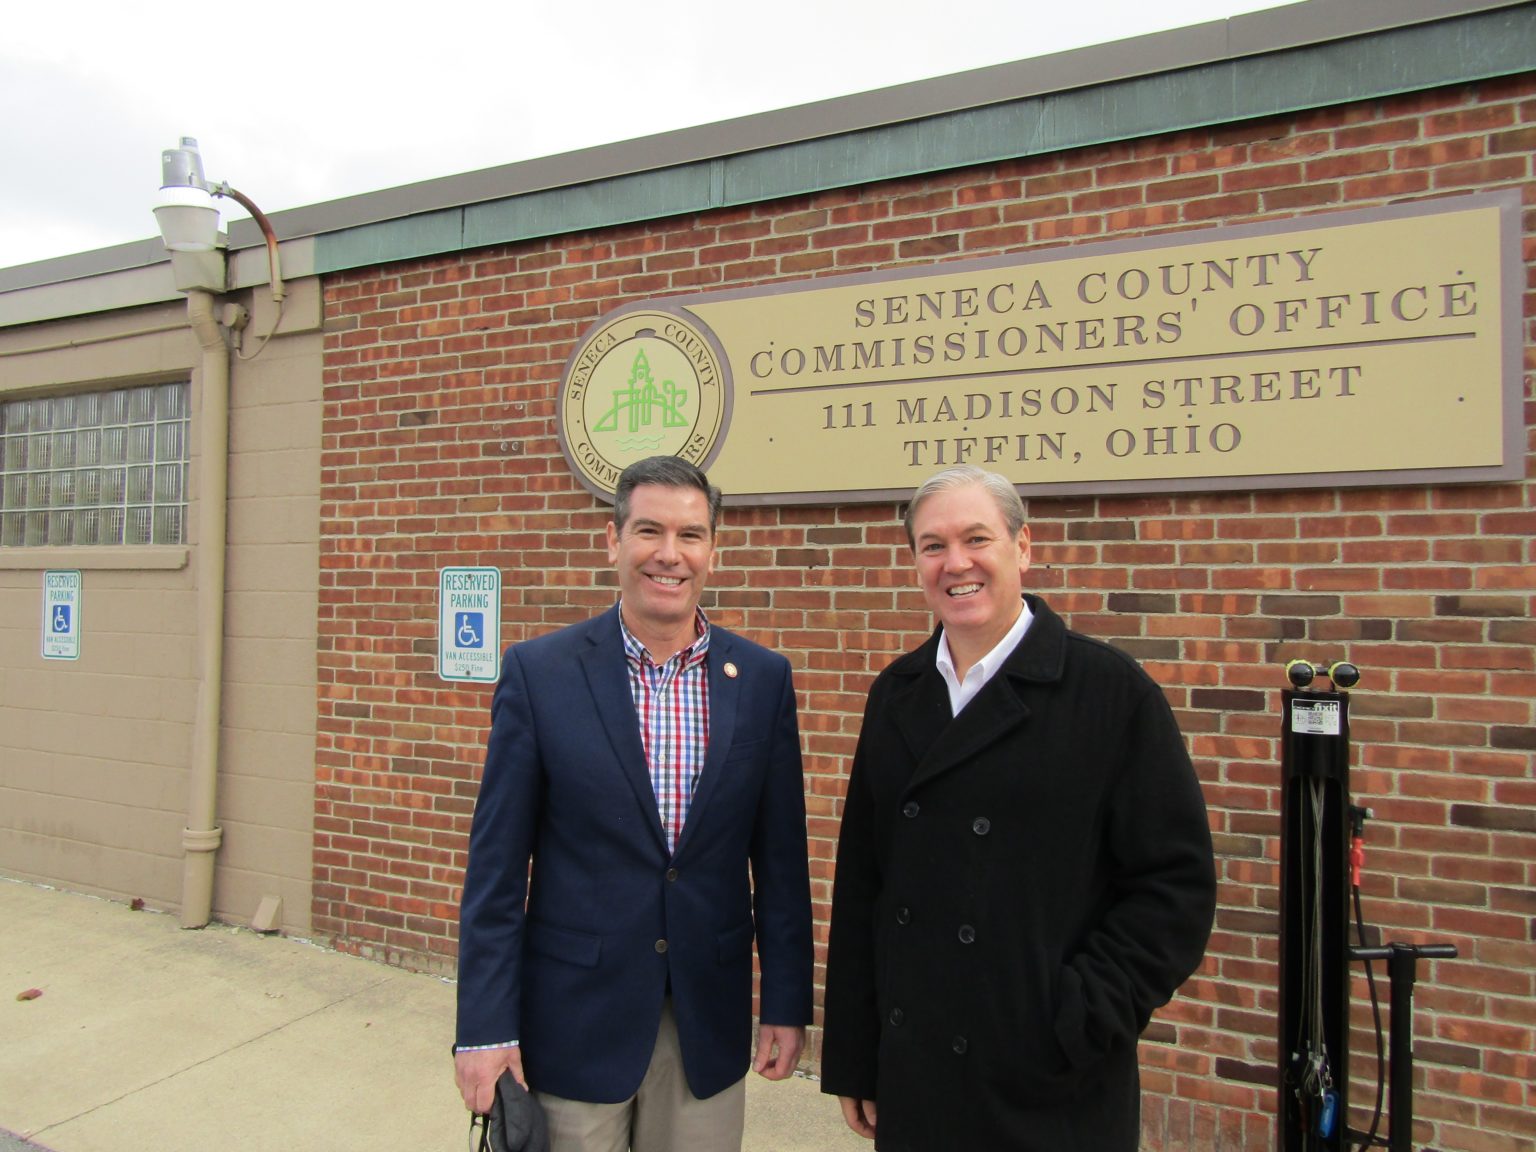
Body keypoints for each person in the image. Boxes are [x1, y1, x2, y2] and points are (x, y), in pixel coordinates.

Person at [820, 465, 1216, 1152]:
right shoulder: (897, 693)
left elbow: (1173, 887)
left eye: (977, 538)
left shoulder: (1109, 694)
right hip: (916, 1076)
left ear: (1023, 547)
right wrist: (857, 1053)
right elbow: (864, 886)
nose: (956, 563)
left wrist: (1077, 1016)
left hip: (1050, 1085)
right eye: (933, 545)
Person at [455, 455, 813, 1152]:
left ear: (714, 549)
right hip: (574, 1024)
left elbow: (781, 865)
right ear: (613, 542)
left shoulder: (763, 680)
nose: (669, 555)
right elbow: (495, 875)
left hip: (705, 1023)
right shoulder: (541, 674)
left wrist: (786, 1003)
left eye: (691, 534)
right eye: (649, 531)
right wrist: (485, 1028)